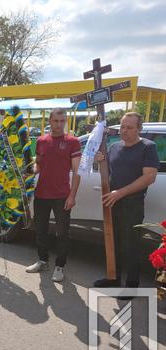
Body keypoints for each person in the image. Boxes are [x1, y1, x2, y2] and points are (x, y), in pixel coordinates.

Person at [93, 112, 159, 295]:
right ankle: (113, 278)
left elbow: (149, 177)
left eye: (129, 127)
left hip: (132, 203)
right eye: (122, 126)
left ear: (139, 129)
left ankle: (131, 286)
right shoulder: (114, 147)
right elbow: (109, 173)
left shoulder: (147, 147)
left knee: (131, 244)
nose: (124, 130)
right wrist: (100, 162)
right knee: (112, 241)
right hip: (112, 202)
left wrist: (120, 193)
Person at [25, 108, 82, 282]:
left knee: (62, 233)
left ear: (65, 121)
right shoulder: (41, 141)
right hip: (41, 194)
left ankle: (60, 266)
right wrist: (29, 172)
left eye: (62, 121)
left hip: (61, 196)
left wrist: (72, 196)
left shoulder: (72, 142)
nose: (59, 124)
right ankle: (43, 261)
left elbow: (77, 172)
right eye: (56, 120)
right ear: (50, 121)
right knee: (40, 231)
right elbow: (39, 167)